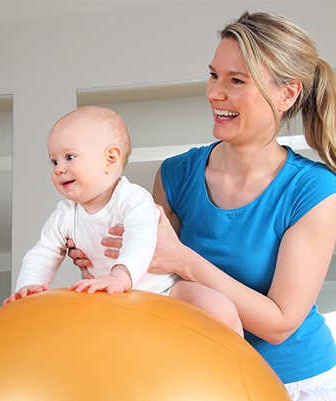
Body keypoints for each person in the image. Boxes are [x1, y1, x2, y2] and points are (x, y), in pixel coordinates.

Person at [68, 12, 336, 400]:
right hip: (203, 375)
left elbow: (279, 324)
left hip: (293, 382)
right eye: (214, 75)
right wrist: (101, 255)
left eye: (236, 81)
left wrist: (183, 259)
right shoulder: (176, 175)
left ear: (287, 93)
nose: (214, 93)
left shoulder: (313, 189)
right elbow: (159, 288)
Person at [3, 106, 177, 303]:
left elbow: (140, 239)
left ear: (110, 159)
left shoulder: (133, 198)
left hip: (164, 289)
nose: (59, 169)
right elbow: (43, 252)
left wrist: (119, 277)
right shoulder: (65, 213)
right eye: (54, 161)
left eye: (69, 157)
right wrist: (28, 285)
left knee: (202, 297)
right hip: (114, 296)